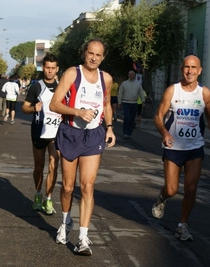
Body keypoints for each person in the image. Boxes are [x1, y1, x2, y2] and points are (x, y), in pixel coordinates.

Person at [49, 38, 116, 256]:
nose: (94, 58)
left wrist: (109, 127)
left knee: (87, 186)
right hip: (70, 133)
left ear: (103, 57)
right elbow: (54, 104)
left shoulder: (106, 79)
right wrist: (78, 112)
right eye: (91, 53)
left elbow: (106, 104)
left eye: (98, 55)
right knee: (68, 187)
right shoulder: (72, 73)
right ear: (84, 53)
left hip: (94, 136)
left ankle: (83, 237)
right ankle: (66, 221)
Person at [151, 55, 210, 241]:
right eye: (187, 67)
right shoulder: (172, 91)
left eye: (194, 67)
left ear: (200, 70)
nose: (190, 71)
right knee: (172, 189)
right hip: (173, 148)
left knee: (191, 188)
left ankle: (182, 225)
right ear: (182, 69)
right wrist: (165, 133)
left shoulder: (204, 93)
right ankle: (162, 198)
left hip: (194, 148)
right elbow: (158, 116)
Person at [22, 53, 60, 215]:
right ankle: (38, 194)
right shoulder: (36, 86)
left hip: (56, 132)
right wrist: (33, 109)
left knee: (53, 165)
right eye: (47, 68)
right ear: (43, 68)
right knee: (39, 166)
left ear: (57, 69)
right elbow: (24, 107)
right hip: (39, 131)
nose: (50, 71)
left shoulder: (62, 87)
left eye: (53, 68)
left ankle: (48, 199)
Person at [118, 70, 145, 139]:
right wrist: (119, 102)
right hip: (126, 103)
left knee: (132, 119)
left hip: (134, 103)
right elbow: (120, 93)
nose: (130, 76)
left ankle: (129, 133)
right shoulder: (124, 83)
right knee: (127, 118)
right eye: (129, 74)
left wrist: (143, 101)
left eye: (132, 74)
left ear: (134, 76)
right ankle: (125, 132)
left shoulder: (137, 84)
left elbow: (141, 93)